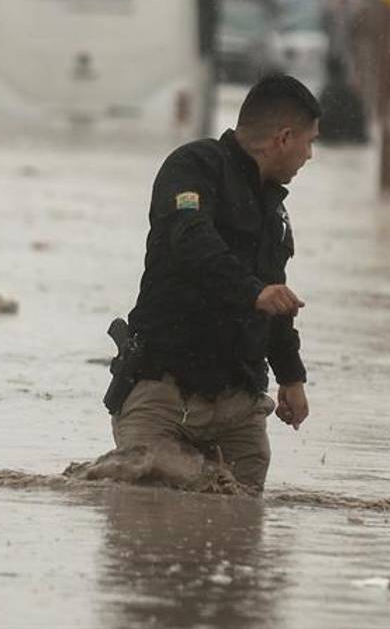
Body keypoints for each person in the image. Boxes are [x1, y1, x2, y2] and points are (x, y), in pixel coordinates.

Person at [107, 73, 319, 493]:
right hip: (163, 393)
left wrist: (291, 378)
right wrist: (252, 291)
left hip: (238, 405)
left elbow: (277, 299)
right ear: (283, 137)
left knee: (239, 537)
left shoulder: (275, 210)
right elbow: (189, 238)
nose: (310, 155)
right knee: (144, 527)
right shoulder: (193, 167)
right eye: (309, 142)